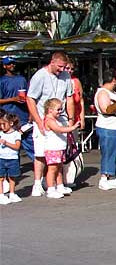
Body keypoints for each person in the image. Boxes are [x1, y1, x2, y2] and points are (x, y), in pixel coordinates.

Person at [25, 51, 75, 196]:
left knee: (59, 154)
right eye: (60, 66)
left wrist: (70, 119)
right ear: (52, 62)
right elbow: (30, 99)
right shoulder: (40, 76)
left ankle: (58, 184)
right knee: (41, 153)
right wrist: (39, 121)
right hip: (44, 119)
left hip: (61, 119)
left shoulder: (66, 76)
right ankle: (37, 183)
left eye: (64, 67)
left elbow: (70, 97)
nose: (62, 70)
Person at [93, 72, 116, 190]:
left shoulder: (113, 93)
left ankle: (113, 177)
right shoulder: (103, 92)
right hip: (109, 128)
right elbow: (105, 109)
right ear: (114, 80)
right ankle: (104, 178)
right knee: (109, 153)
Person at [41, 98, 80, 199]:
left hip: (59, 148)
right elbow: (58, 129)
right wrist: (72, 128)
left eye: (61, 109)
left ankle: (60, 186)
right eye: (58, 109)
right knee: (52, 169)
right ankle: (50, 189)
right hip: (52, 149)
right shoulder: (49, 120)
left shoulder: (56, 120)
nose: (60, 112)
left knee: (59, 169)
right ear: (50, 110)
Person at [0, 56, 34, 162]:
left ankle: (40, 169)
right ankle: (12, 172)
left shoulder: (22, 79)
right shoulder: (2, 81)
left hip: (23, 116)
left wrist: (31, 113)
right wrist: (13, 99)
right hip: (7, 116)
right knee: (10, 146)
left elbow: (29, 97)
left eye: (13, 63)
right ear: (4, 66)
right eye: (9, 64)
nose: (12, 65)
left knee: (30, 144)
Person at [0, 110, 22, 203]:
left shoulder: (16, 134)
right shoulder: (1, 134)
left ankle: (12, 193)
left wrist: (6, 143)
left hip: (12, 159)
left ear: (11, 123)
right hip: (1, 158)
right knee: (0, 177)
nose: (2, 126)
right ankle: (1, 195)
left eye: (4, 124)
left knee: (12, 177)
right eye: (0, 124)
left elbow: (17, 146)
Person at [65, 58, 86, 131]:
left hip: (75, 118)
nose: (69, 71)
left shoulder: (76, 81)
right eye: (67, 68)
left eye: (72, 69)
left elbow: (81, 101)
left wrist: (82, 119)